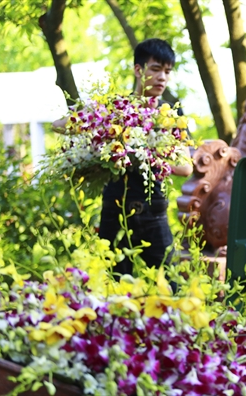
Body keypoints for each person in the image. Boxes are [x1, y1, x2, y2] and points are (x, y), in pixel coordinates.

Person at [54, 38, 193, 276]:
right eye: (156, 69)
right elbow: (58, 125)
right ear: (138, 70)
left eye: (167, 72)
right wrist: (99, 126)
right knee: (112, 285)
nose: (162, 78)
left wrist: (144, 149)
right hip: (114, 210)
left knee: (169, 284)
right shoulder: (117, 108)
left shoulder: (170, 115)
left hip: (153, 212)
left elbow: (186, 168)